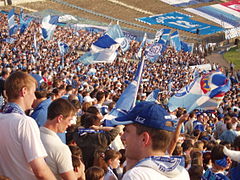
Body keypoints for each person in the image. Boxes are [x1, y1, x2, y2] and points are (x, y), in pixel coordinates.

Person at [112, 101, 190, 179]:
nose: (122, 137)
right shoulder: (182, 172)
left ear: (144, 139)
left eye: (127, 131)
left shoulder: (136, 176)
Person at [0, 71, 55, 180]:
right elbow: (40, 170)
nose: (35, 97)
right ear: (24, 91)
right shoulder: (25, 122)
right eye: (33, 92)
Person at [40, 98, 79, 179]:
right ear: (60, 118)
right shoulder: (61, 148)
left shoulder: (33, 135)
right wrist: (80, 174)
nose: (69, 124)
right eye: (69, 120)